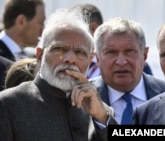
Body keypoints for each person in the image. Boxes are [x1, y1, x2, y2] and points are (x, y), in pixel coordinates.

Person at [0, 8, 116, 141]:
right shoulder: (8, 104)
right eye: (59, 49)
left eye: (80, 52)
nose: (70, 59)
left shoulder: (101, 111)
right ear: (40, 55)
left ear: (90, 61)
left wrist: (101, 118)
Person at [91, 17, 165, 124]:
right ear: (98, 58)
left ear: (145, 54)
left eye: (129, 51)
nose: (121, 61)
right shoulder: (83, 99)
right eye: (111, 52)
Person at [70, 3, 153, 79]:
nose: (121, 62)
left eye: (75, 32)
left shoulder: (138, 67)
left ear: (93, 29)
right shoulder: (70, 63)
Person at [0, 0, 45, 91]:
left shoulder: (30, 57)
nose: (43, 30)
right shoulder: (2, 60)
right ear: (21, 21)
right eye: (40, 23)